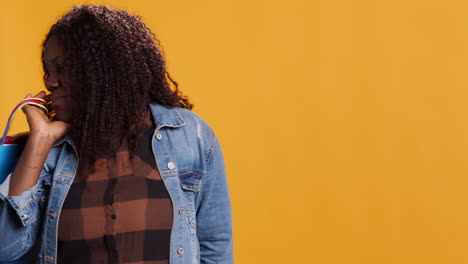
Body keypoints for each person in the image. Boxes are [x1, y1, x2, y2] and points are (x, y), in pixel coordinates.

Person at [0, 5, 233, 264]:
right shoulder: (53, 152)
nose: (50, 82)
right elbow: (4, 249)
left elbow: (215, 249)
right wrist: (39, 141)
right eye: (48, 71)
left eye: (62, 68)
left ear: (102, 70)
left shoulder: (189, 136)